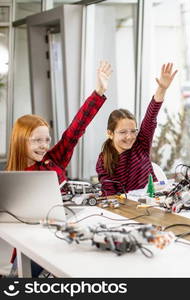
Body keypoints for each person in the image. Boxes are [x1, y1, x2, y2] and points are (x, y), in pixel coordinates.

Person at [6, 61, 112, 277]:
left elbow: (75, 129)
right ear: (20, 142)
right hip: (32, 246)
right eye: (36, 141)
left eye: (46, 139)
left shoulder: (53, 160)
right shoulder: (10, 180)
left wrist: (99, 92)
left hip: (63, 237)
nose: (44, 146)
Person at [96, 63, 177, 195]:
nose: (130, 137)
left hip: (156, 202)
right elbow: (110, 196)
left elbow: (150, 117)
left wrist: (162, 88)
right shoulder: (104, 160)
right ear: (110, 134)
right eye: (123, 132)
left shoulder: (141, 143)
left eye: (133, 131)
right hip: (129, 211)